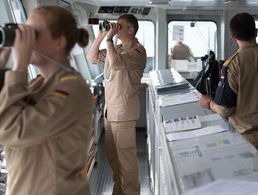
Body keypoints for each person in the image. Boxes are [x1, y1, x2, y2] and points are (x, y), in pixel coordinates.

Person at [0, 5, 93, 195]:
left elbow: (8, 128)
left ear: (58, 43)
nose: (24, 40)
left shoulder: (72, 89)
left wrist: (18, 67)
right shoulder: (40, 84)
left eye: (33, 33)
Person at [87, 14, 146, 195]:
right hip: (110, 111)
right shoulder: (117, 47)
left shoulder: (138, 51)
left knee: (126, 161)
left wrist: (110, 39)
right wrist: (102, 35)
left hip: (124, 113)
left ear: (131, 30)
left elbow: (116, 63)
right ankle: (118, 192)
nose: (116, 29)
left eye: (120, 26)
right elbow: (92, 56)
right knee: (114, 160)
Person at [199, 12, 258, 149]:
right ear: (256, 32)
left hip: (248, 139)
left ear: (233, 37)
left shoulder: (232, 64)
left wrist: (208, 103)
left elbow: (225, 110)